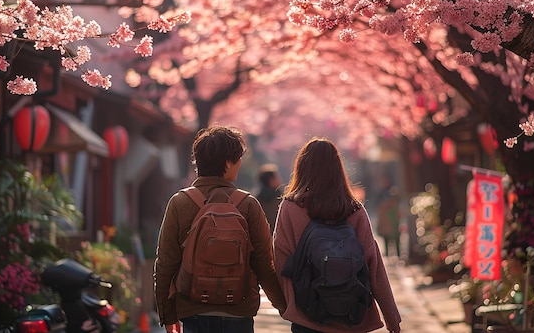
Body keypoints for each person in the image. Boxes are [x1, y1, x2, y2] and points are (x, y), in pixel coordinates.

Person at [153, 125, 286, 333]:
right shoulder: (248, 204)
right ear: (227, 163)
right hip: (239, 311)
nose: (240, 164)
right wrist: (285, 308)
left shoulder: (180, 202)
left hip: (194, 311)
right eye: (237, 159)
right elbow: (264, 265)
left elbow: (165, 263)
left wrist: (167, 315)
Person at [273, 137, 402, 333]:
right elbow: (373, 264)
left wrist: (289, 306)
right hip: (352, 315)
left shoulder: (291, 208)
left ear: (302, 167)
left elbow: (280, 258)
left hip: (307, 314)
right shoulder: (354, 209)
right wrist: (391, 317)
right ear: (337, 168)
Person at [375, 176, 402, 259]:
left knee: (396, 237)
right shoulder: (380, 193)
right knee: (385, 237)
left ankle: (398, 255)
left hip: (393, 218)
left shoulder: (393, 191)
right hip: (384, 219)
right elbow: (378, 206)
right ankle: (387, 255)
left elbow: (398, 203)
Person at [256, 163, 283, 235]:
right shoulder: (280, 198)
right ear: (271, 180)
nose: (280, 179)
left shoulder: (256, 200)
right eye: (277, 177)